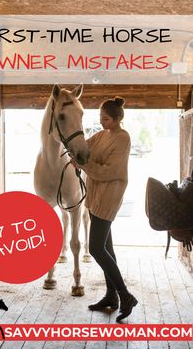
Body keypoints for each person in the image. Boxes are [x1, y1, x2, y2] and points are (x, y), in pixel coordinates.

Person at [71, 97, 138, 322]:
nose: (102, 123)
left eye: (106, 119)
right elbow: (84, 147)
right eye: (100, 118)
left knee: (97, 248)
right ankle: (112, 296)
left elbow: (110, 171)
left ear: (118, 119)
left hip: (109, 196)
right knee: (107, 247)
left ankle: (125, 295)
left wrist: (82, 164)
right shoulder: (102, 135)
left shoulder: (122, 138)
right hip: (95, 195)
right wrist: (73, 148)